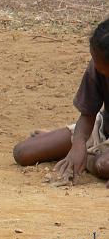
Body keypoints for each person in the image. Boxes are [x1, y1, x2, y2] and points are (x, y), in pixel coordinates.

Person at [13, 19, 109, 186]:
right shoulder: (98, 65)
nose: (96, 68)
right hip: (104, 128)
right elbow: (87, 115)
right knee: (22, 152)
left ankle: (90, 159)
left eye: (102, 68)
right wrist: (78, 143)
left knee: (104, 166)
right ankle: (89, 152)